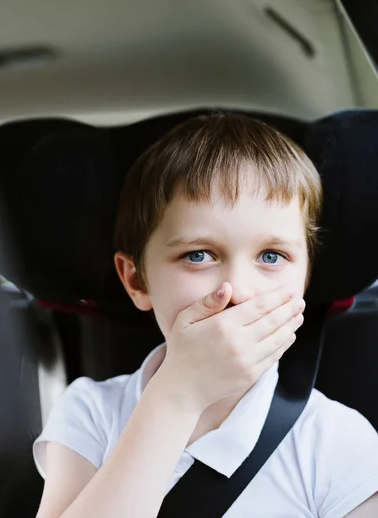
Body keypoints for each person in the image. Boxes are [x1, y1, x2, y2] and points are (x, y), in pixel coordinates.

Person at [34, 113, 378, 518]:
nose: (237, 292)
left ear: (305, 278)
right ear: (136, 281)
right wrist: (177, 395)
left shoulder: (339, 441)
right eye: (198, 256)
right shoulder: (90, 413)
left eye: (272, 256)